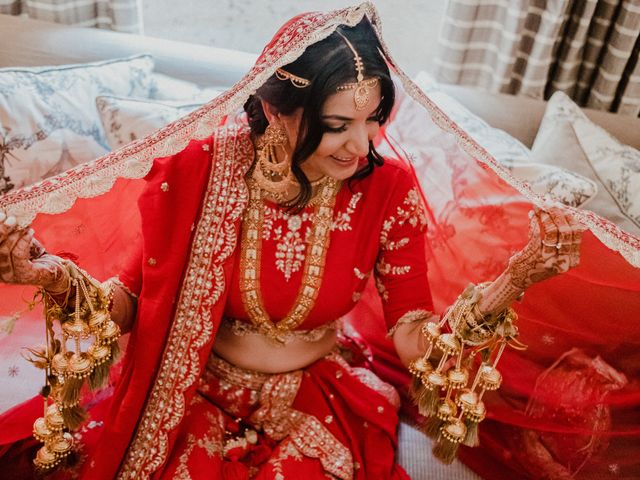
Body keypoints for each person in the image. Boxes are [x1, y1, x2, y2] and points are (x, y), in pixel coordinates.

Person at [0, 3, 636, 480]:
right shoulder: (201, 171)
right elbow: (144, 310)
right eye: (338, 125)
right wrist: (55, 276)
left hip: (316, 397)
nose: (362, 145)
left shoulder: (386, 189)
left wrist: (513, 279)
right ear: (280, 111)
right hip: (193, 390)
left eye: (373, 120)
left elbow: (416, 336)